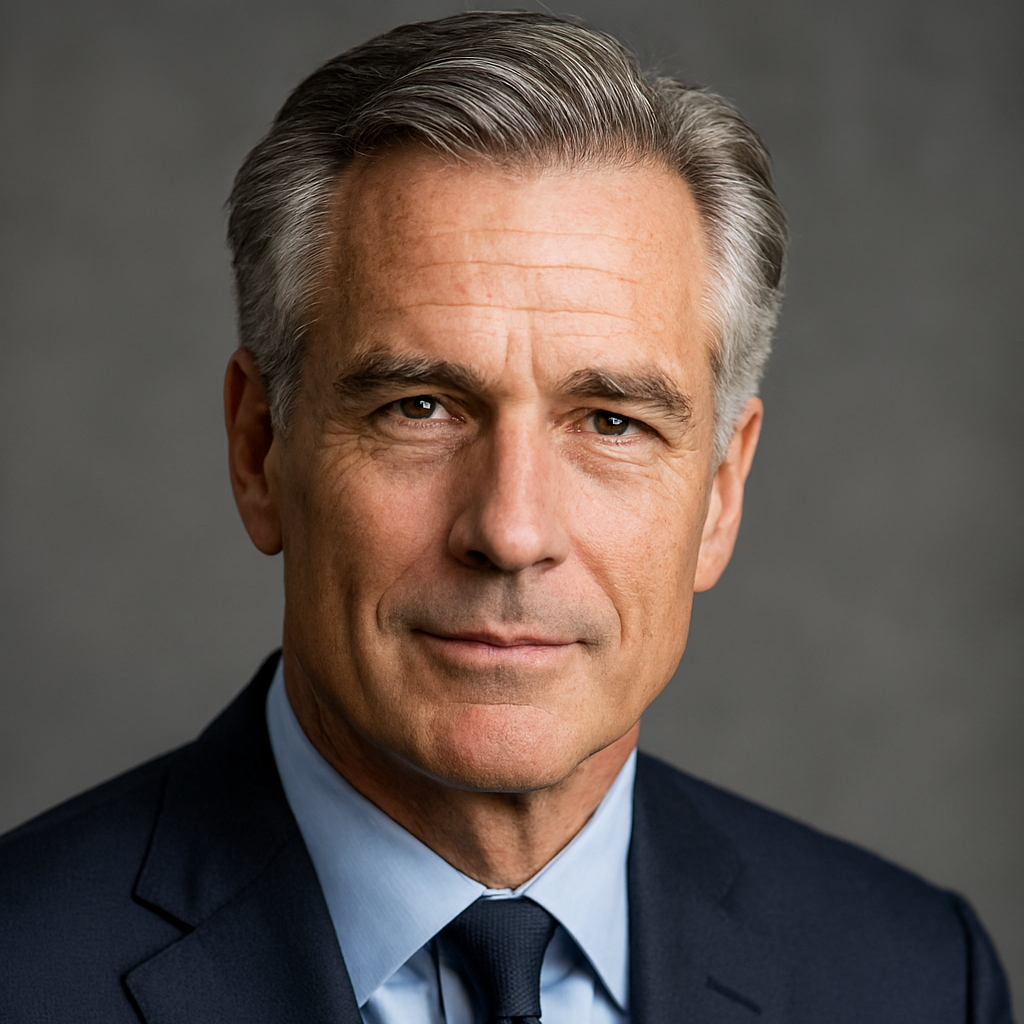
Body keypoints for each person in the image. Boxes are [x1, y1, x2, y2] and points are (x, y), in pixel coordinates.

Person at [0, 11, 1013, 1024]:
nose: (511, 530)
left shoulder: (917, 976)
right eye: (419, 408)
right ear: (259, 446)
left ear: (720, 491)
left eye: (610, 421)